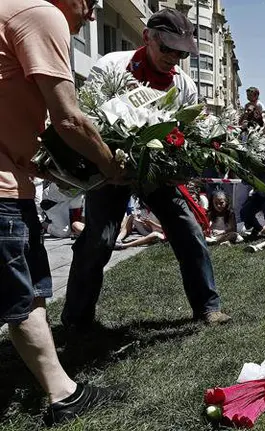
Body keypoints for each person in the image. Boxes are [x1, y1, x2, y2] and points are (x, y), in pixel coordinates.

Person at [62, 9, 231, 327]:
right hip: (111, 169)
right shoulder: (112, 65)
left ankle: (209, 307)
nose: (174, 58)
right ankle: (77, 319)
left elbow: (189, 135)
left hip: (159, 173)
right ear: (147, 37)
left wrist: (186, 162)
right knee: (98, 238)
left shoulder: (184, 85)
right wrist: (108, 160)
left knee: (189, 232)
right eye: (167, 48)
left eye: (181, 52)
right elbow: (90, 115)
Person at [1, 0, 124, 424]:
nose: (91, 14)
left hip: (11, 179)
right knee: (22, 295)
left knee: (27, 288)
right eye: (89, 2)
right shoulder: (40, 14)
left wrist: (30, 162)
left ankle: (61, 387)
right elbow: (68, 119)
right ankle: (63, 395)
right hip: (1, 192)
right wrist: (111, 167)